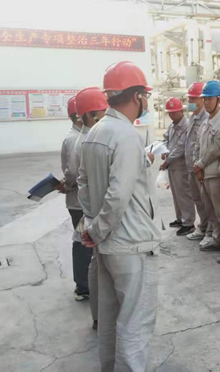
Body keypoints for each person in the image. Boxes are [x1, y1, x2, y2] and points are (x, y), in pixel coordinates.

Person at [78, 61, 160, 372]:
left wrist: (92, 226)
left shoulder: (96, 131)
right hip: (131, 244)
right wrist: (97, 230)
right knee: (135, 324)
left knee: (111, 318)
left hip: (109, 245)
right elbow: (118, 195)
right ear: (138, 96)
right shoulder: (126, 135)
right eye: (145, 96)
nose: (146, 101)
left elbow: (84, 184)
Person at [73, 86, 108, 330]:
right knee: (100, 267)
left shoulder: (88, 138)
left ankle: (98, 315)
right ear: (89, 116)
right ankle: (100, 316)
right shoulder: (88, 141)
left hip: (93, 212)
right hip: (98, 213)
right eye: (101, 112)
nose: (105, 116)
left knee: (98, 266)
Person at [193, 80, 220, 264]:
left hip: (216, 175)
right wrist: (197, 165)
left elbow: (215, 150)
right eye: (205, 99)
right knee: (212, 213)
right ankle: (217, 240)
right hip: (204, 174)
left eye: (209, 99)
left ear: (219, 100)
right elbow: (198, 146)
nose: (206, 102)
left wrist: (199, 165)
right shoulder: (206, 122)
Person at [59, 96, 86, 300]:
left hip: (79, 199)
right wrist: (66, 185)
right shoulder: (74, 138)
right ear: (78, 116)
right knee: (82, 241)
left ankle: (85, 283)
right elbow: (73, 173)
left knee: (83, 240)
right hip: (79, 201)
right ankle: (83, 286)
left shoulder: (77, 136)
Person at [183, 83, 214, 246]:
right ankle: (203, 226)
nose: (190, 102)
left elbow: (207, 147)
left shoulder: (206, 119)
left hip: (201, 168)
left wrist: (199, 165)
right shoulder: (193, 117)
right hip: (191, 166)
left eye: (193, 98)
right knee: (196, 199)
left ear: (202, 100)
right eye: (189, 99)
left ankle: (210, 230)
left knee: (206, 201)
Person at [160, 98, 196, 237]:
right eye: (169, 113)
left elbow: (181, 147)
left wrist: (167, 160)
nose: (171, 115)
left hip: (181, 166)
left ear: (181, 111)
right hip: (172, 166)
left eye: (174, 112)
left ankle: (189, 223)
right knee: (176, 194)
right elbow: (165, 139)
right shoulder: (172, 126)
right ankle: (180, 218)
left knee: (184, 195)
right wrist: (163, 150)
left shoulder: (186, 126)